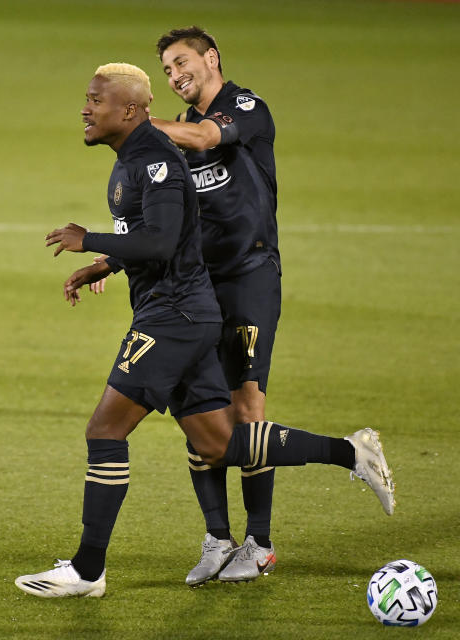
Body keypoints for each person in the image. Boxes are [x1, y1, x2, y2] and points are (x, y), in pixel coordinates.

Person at [14, 63, 395, 599]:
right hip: (181, 315)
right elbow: (159, 235)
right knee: (220, 444)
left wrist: (91, 240)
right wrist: (108, 264)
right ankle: (352, 452)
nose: (85, 108)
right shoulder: (134, 160)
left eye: (96, 100)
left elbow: (164, 243)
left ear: (129, 111)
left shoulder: (155, 164)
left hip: (172, 318)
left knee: (105, 431)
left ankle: (87, 570)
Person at [147, 26, 284, 585]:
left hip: (249, 276)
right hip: (198, 286)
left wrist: (138, 122)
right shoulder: (172, 139)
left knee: (247, 406)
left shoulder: (244, 107)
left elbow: (206, 137)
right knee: (198, 408)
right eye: (166, 72)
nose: (176, 76)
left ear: (211, 57)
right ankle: (216, 538)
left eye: (182, 63)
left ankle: (260, 541)